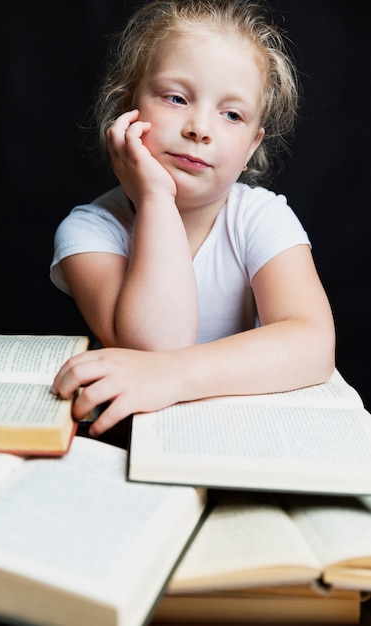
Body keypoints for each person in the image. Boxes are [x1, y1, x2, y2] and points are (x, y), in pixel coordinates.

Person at [50, 0, 335, 439]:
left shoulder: (260, 217)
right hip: (135, 441)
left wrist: (174, 376)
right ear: (128, 110)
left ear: (251, 147)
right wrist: (156, 199)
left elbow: (314, 344)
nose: (200, 128)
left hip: (242, 435)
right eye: (176, 98)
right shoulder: (90, 231)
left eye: (231, 115)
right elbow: (156, 346)